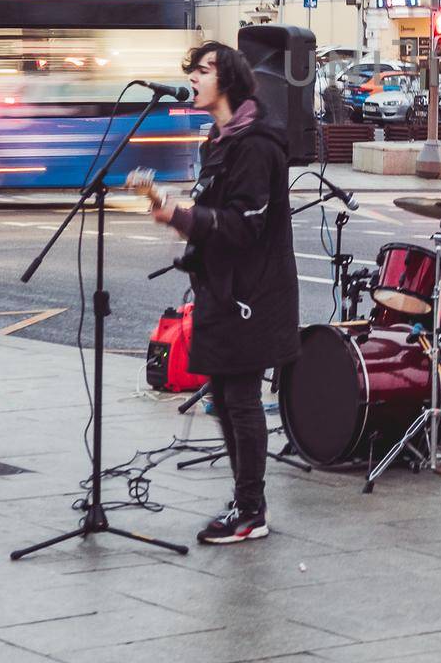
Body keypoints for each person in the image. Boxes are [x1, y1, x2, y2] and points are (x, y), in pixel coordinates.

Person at [150, 41, 299, 545]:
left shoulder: (255, 144)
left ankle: (251, 508)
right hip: (221, 288)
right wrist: (178, 217)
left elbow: (245, 226)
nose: (193, 76)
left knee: (240, 398)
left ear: (229, 80)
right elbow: (214, 219)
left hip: (253, 293)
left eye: (204, 69)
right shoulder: (217, 142)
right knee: (223, 395)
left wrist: (184, 217)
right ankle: (245, 500)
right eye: (191, 68)